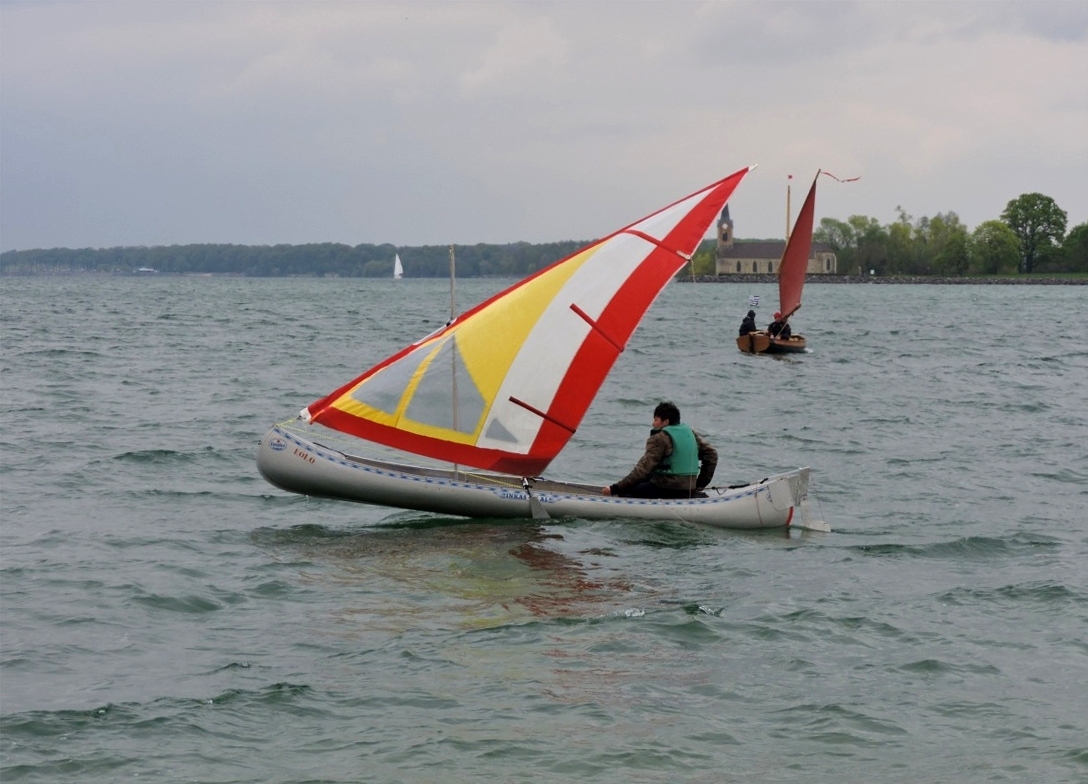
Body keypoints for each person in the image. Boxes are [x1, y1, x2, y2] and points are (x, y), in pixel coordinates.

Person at [601, 401, 717, 499]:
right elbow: (712, 455)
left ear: (665, 422)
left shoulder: (660, 438)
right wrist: (698, 485)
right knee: (645, 482)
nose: (653, 423)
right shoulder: (690, 433)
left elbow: (642, 470)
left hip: (668, 489)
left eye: (656, 420)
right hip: (689, 489)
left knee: (626, 492)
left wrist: (615, 488)